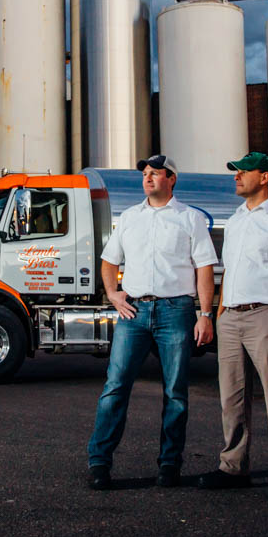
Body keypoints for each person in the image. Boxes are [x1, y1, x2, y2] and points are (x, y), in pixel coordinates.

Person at [87, 154, 217, 490]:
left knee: (175, 392)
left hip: (176, 311)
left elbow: (204, 269)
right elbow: (108, 261)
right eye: (145, 173)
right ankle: (99, 463)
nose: (147, 178)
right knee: (115, 388)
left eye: (155, 173)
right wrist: (114, 294)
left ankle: (170, 465)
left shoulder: (190, 219)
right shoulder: (130, 218)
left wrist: (205, 315)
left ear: (171, 178)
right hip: (134, 312)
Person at [197, 152, 268, 504]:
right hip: (231, 316)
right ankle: (233, 466)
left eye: (243, 172)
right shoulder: (235, 221)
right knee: (231, 398)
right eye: (236, 172)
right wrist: (218, 313)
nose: (237, 176)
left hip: (264, 315)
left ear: (264, 177)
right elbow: (228, 271)